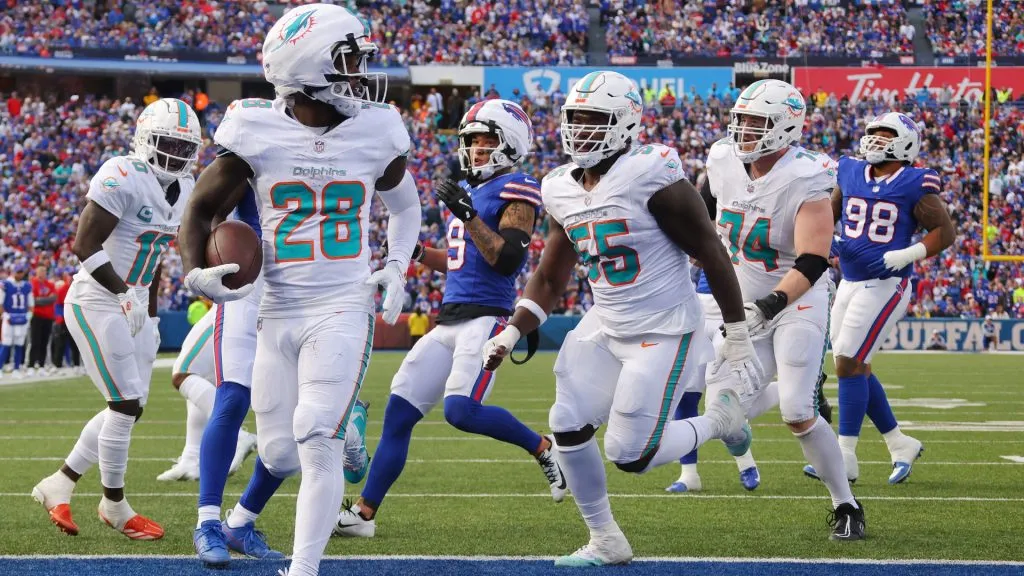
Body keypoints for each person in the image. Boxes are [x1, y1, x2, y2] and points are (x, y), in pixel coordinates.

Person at [178, 5, 421, 575]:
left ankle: (303, 569)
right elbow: (201, 208)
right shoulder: (254, 128)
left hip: (342, 306)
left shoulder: (376, 129)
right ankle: (340, 424)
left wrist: (398, 266)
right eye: (350, 60)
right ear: (312, 70)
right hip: (275, 308)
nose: (362, 72)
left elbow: (406, 207)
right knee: (279, 452)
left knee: (315, 437)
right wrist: (195, 271)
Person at [482, 71, 760, 566]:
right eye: (575, 118)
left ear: (626, 123)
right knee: (565, 423)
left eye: (595, 119)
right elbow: (550, 277)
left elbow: (711, 252)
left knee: (631, 455)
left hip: (664, 327)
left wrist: (736, 334)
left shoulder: (651, 174)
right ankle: (606, 539)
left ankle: (721, 419)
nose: (581, 129)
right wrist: (511, 330)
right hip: (606, 324)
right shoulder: (560, 188)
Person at [334, 99, 566, 539]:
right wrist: (421, 254)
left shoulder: (518, 187)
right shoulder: (470, 192)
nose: (477, 149)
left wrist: (467, 214)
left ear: (509, 143)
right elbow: (462, 260)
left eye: (487, 140)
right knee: (399, 413)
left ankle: (542, 446)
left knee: (460, 411)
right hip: (449, 320)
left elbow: (507, 260)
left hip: (488, 319)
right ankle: (364, 514)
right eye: (472, 140)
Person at [31, 97, 202, 540]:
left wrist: (150, 312)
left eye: (185, 148)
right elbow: (84, 245)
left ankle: (60, 482)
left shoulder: (183, 188)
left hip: (134, 302)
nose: (176, 155)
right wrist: (123, 292)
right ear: (145, 140)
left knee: (130, 406)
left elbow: (157, 254)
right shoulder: (122, 172)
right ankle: (115, 505)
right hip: (96, 299)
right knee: (124, 403)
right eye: (167, 144)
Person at [701, 79, 864, 540]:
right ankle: (799, 390)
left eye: (757, 122)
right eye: (742, 120)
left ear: (786, 126)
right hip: (742, 298)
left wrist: (766, 307)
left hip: (798, 298)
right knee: (725, 417)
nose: (745, 130)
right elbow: (706, 216)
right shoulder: (722, 159)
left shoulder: (807, 175)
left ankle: (846, 505)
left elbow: (813, 259)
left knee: (797, 411)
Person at [806, 111, 954, 487]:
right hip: (850, 281)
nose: (874, 139)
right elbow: (829, 213)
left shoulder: (913, 181)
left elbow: (944, 231)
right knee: (856, 365)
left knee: (848, 362)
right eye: (872, 133)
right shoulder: (851, 172)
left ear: (905, 143)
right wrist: (827, 241)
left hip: (887, 284)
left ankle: (845, 456)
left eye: (884, 134)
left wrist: (908, 255)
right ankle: (898, 442)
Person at [1, 263, 33, 379]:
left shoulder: (26, 286)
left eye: (21, 272)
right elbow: (0, 302)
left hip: (22, 317)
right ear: (13, 272)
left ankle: (16, 368)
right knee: (6, 343)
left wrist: (30, 314)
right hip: (9, 316)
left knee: (19, 343)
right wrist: (4, 314)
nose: (19, 274)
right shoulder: (6, 284)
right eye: (18, 272)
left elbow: (30, 303)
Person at [51, 268, 82, 376]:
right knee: (60, 344)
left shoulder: (80, 288)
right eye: (70, 275)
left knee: (75, 344)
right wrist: (60, 318)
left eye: (73, 274)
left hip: (75, 319)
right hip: (64, 321)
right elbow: (58, 305)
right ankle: (57, 366)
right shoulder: (62, 289)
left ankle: (77, 366)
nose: (71, 277)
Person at [29, 265, 57, 374]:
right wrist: (47, 299)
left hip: (48, 317)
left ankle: (41, 365)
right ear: (37, 272)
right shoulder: (33, 283)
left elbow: (54, 298)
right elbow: (33, 300)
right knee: (35, 341)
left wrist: (41, 299)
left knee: (44, 342)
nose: (43, 272)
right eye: (41, 270)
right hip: (36, 316)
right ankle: (31, 365)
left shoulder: (50, 284)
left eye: (45, 270)